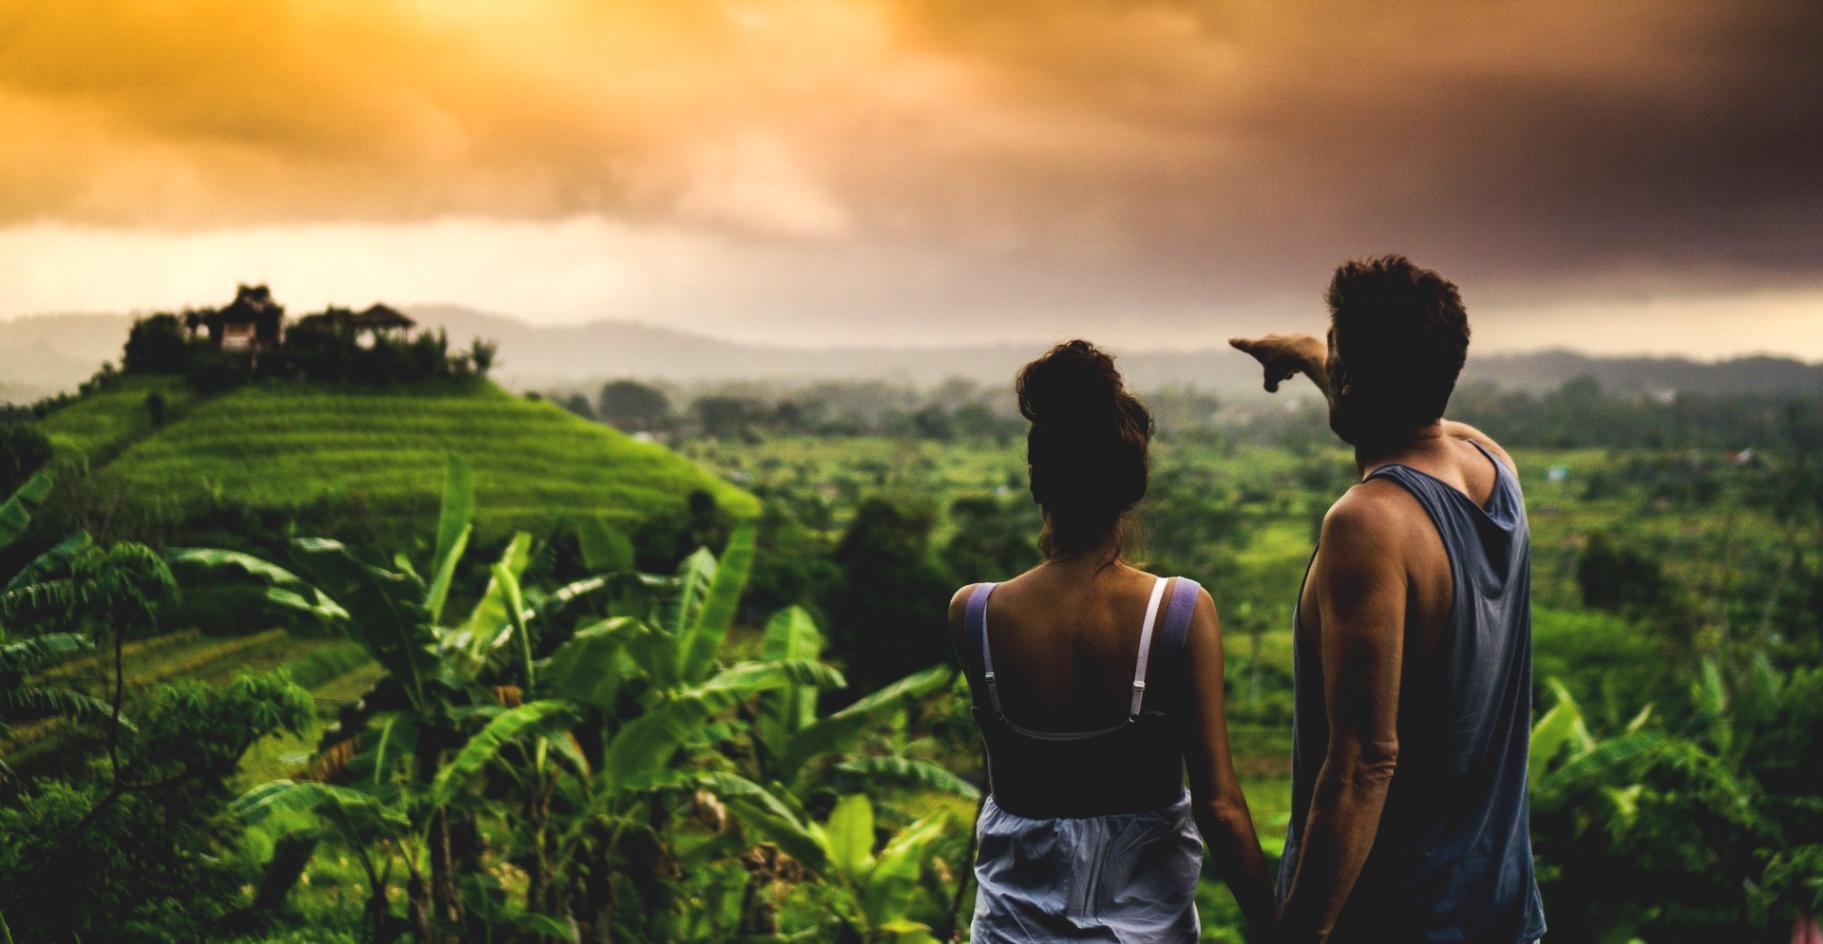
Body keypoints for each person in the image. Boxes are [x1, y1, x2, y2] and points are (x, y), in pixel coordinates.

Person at [1230, 255, 1548, 943]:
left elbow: (1363, 763)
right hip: (1498, 914)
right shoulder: (1491, 462)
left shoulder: (1368, 524)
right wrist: (1311, 354)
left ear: (1351, 378)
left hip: (1396, 918)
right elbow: (1399, 407)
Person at [949, 339, 1279, 942]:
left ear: (1037, 480)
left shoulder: (975, 616)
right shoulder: (1177, 613)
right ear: (1132, 484)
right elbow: (1221, 807)